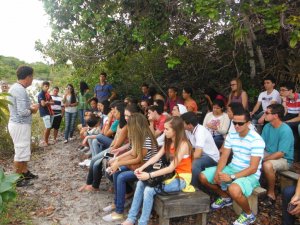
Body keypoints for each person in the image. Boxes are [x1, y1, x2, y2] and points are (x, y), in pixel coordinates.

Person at [121, 116, 195, 225]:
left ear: (176, 130)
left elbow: (170, 167)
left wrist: (149, 175)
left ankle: (142, 222)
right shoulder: (169, 141)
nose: (164, 131)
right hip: (170, 175)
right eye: (164, 128)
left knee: (149, 190)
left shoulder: (183, 145)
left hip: (181, 179)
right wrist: (141, 168)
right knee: (141, 183)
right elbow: (155, 157)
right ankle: (131, 219)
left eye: (167, 129)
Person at [200, 110, 265, 225]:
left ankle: (249, 214)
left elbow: (253, 168)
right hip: (232, 167)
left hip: (250, 173)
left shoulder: (256, 140)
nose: (236, 126)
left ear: (249, 123)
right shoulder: (232, 135)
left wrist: (232, 177)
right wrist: (218, 173)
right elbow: (224, 156)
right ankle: (225, 197)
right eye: (234, 123)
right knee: (203, 177)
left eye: (240, 123)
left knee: (233, 189)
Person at [102, 113, 159, 222]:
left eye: (130, 124)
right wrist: (117, 159)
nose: (128, 126)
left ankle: (119, 212)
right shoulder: (139, 136)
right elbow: (132, 152)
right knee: (116, 172)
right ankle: (116, 203)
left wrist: (119, 163)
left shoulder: (146, 138)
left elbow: (138, 159)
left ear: (136, 125)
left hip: (146, 169)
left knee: (121, 176)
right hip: (138, 167)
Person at [7, 66, 39, 187]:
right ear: (28, 77)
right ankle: (17, 179)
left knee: (24, 150)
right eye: (32, 76)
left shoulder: (17, 88)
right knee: (20, 151)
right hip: (19, 125)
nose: (33, 79)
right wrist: (33, 109)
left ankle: (25, 172)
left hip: (20, 124)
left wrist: (30, 107)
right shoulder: (19, 90)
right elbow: (22, 112)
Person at [261, 104, 294, 206]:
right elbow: (260, 144)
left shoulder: (285, 130)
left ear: (275, 115)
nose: (264, 114)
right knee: (250, 156)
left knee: (267, 165)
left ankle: (271, 194)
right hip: (269, 153)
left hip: (284, 159)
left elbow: (280, 153)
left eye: (267, 113)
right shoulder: (267, 126)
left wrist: (263, 159)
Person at [181, 112, 220, 188]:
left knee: (195, 163)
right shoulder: (188, 130)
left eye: (183, 123)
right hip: (202, 155)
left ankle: (194, 186)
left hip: (211, 158)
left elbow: (198, 154)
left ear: (190, 125)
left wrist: (184, 157)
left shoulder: (200, 131)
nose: (181, 125)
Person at [38, 81, 54, 147]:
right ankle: (45, 141)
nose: (47, 88)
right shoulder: (41, 94)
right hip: (45, 113)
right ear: (42, 86)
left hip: (50, 112)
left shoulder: (48, 94)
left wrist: (47, 102)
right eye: (45, 86)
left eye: (48, 86)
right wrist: (48, 102)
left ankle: (46, 141)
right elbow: (43, 104)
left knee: (49, 128)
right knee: (48, 127)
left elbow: (53, 102)